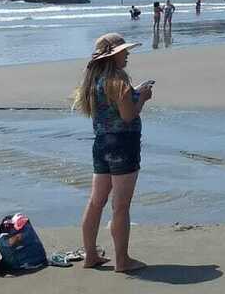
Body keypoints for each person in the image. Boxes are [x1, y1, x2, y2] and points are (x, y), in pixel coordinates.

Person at [72, 33, 152, 273]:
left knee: (96, 201)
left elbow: (112, 107)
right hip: (123, 145)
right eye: (124, 52)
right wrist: (143, 99)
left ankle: (91, 255)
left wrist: (133, 92)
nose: (127, 54)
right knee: (121, 205)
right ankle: (122, 261)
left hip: (101, 144)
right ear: (114, 55)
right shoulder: (118, 80)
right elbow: (128, 115)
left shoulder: (95, 81)